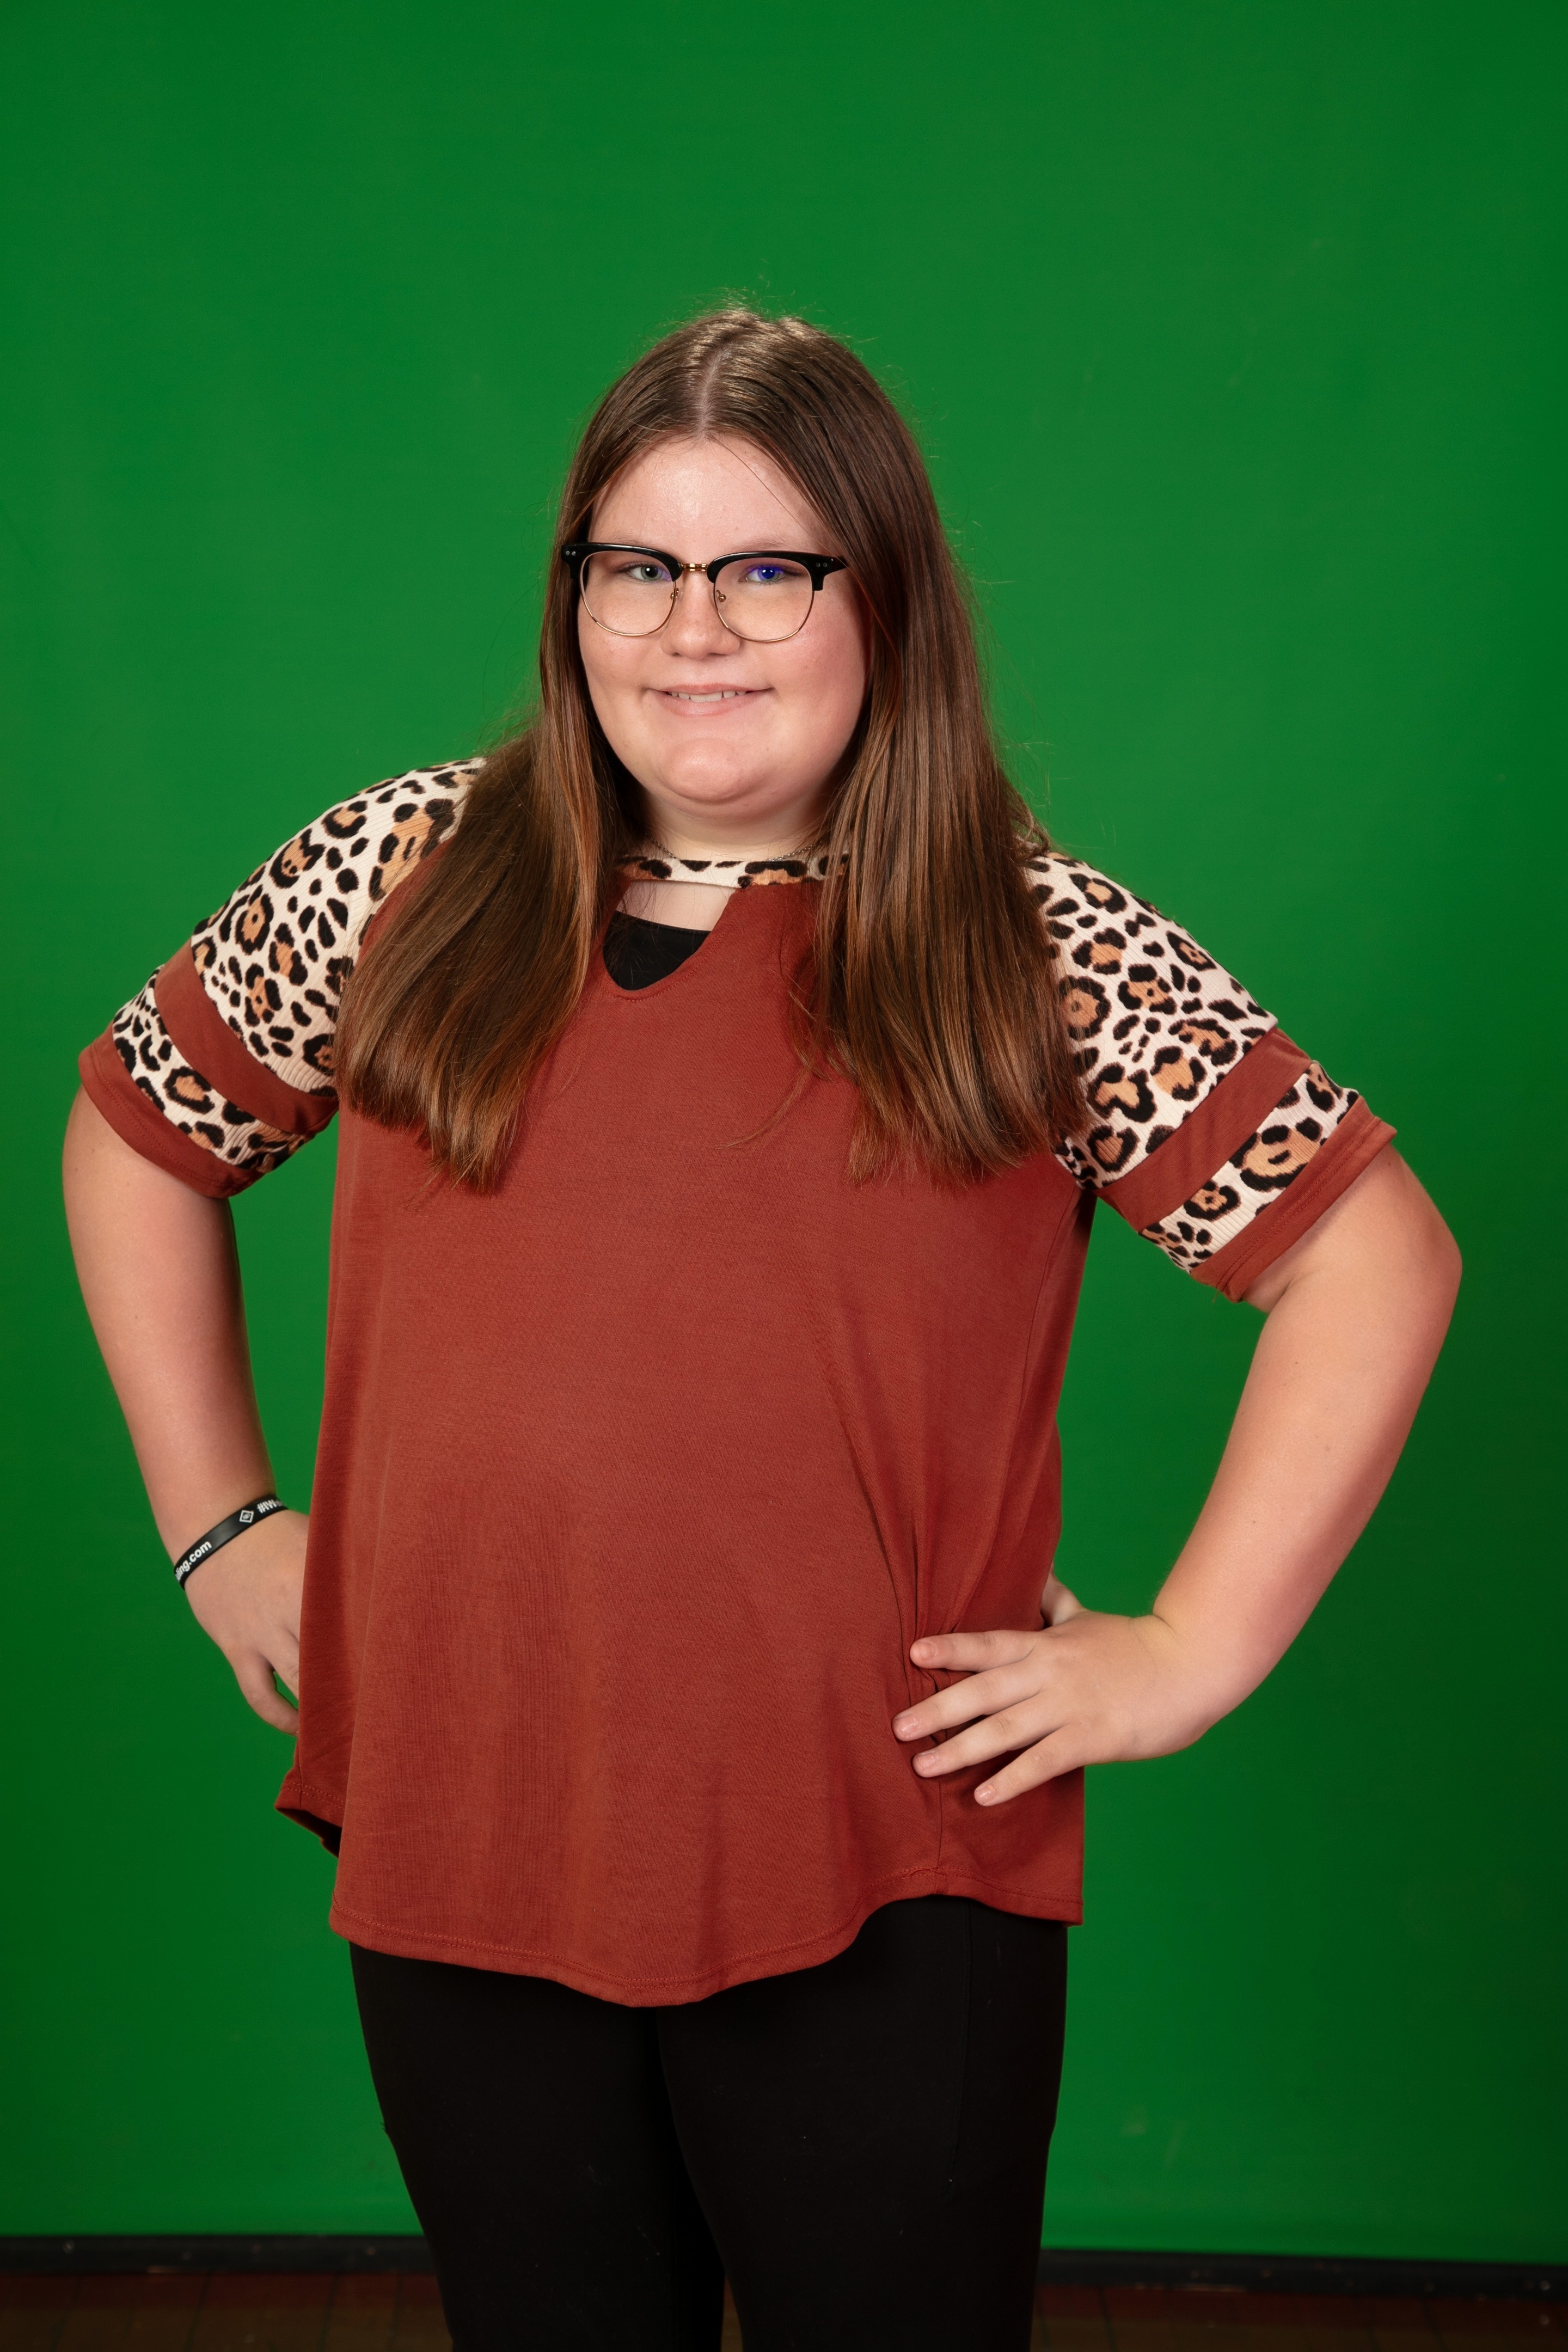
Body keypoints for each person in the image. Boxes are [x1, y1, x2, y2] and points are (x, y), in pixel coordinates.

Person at [63, 310, 1460, 2352]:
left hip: (878, 1850)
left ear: (883, 597)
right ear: (574, 598)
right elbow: (137, 1130)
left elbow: (1375, 1256)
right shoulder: (410, 874)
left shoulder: (1020, 937)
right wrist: (219, 1524)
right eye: (638, 566)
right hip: (467, 1817)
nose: (694, 629)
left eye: (768, 570)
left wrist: (1187, 1650)